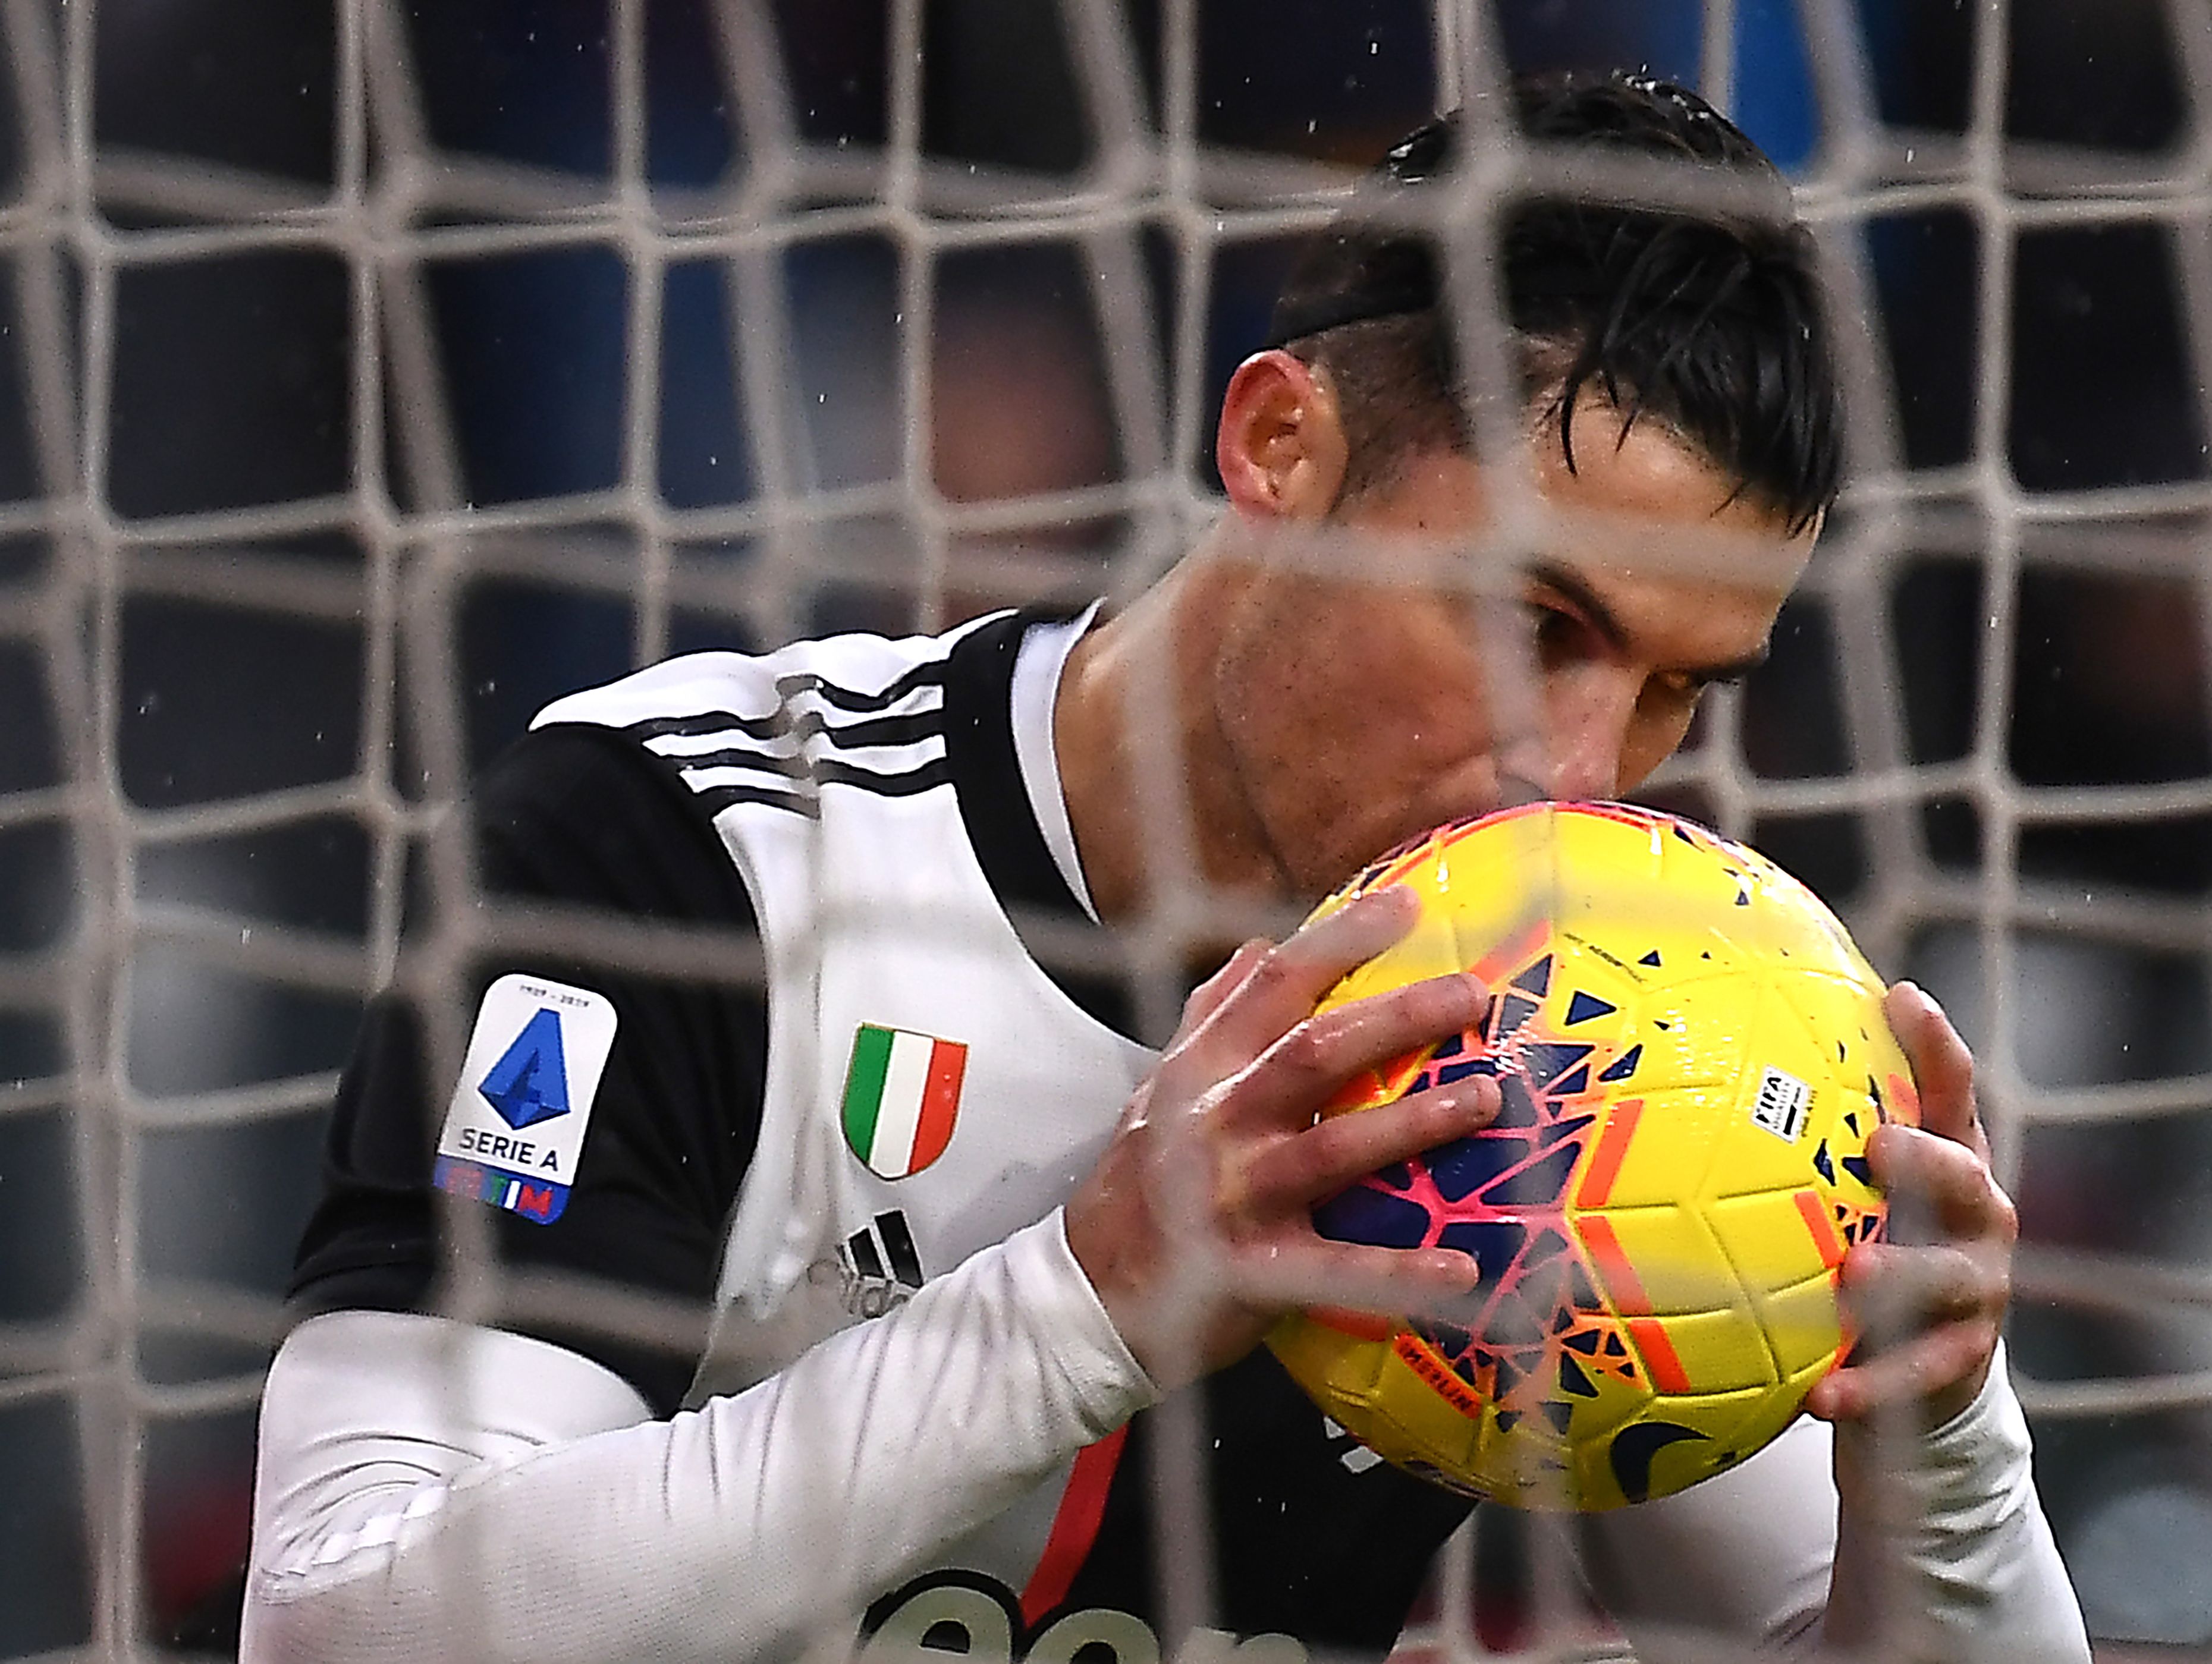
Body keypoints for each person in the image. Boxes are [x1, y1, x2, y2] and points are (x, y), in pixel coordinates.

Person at [241, 73, 2088, 1664]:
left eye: (1679, 693)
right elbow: (345, 1624)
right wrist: (1085, 1302)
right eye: (1533, 626)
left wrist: (1935, 1448)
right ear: (1282, 443)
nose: (1580, 779)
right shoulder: (704, 844)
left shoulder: (1605, 1035)